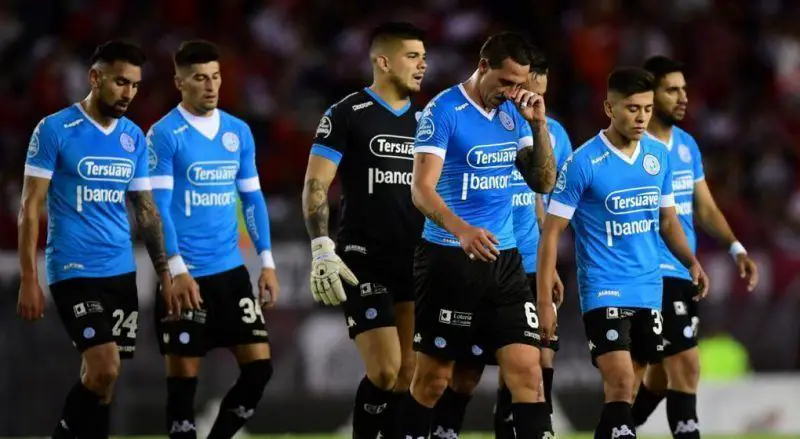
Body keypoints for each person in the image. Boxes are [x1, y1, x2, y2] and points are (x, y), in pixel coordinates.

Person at [17, 40, 191, 439]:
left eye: (134, 85)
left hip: (121, 272)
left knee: (103, 382)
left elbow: (145, 211)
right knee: (104, 366)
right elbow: (30, 206)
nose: (128, 93)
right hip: (73, 267)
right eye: (120, 82)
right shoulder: (55, 129)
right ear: (95, 78)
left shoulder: (133, 137)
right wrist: (30, 277)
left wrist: (165, 273)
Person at [399, 31, 557, 439]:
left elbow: (542, 182)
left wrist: (538, 127)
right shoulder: (444, 111)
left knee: (529, 376)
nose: (511, 92)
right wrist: (463, 230)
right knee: (433, 381)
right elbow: (421, 189)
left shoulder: (513, 115)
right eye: (505, 82)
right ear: (483, 66)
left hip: (504, 261)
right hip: (449, 258)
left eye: (519, 84)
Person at [536, 66, 710, 439]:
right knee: (619, 382)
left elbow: (668, 222)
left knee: (629, 393)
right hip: (604, 287)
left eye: (647, 108)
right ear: (609, 108)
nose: (642, 117)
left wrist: (689, 260)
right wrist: (544, 300)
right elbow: (551, 232)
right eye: (632, 108)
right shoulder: (583, 163)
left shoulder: (657, 157)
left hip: (649, 287)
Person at [429, 55, 573, 439]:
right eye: (525, 92)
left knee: (537, 361)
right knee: (467, 371)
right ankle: (445, 429)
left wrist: (549, 267)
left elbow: (546, 203)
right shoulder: (488, 121)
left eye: (538, 94)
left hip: (528, 262)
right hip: (488, 255)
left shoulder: (552, 134)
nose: (528, 101)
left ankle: (519, 428)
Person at [148, 40, 280, 439]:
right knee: (184, 380)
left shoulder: (238, 132)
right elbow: (159, 209)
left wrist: (267, 262)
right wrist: (175, 270)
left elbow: (252, 199)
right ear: (179, 82)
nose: (210, 86)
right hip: (185, 275)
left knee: (259, 370)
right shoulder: (165, 134)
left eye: (216, 77)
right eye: (200, 78)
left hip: (231, 273)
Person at [300, 22, 426, 439]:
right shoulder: (346, 113)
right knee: (386, 369)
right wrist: (321, 245)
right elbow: (316, 183)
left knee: (408, 373)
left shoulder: (428, 122)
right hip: (362, 257)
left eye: (424, 57)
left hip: (415, 257)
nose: (423, 65)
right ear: (383, 61)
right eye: (413, 56)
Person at [631, 55, 759, 439]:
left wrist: (736, 247)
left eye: (684, 88)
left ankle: (620, 427)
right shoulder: (635, 147)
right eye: (673, 90)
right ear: (650, 94)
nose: (684, 97)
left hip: (685, 269)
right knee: (685, 364)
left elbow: (703, 206)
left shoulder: (686, 145)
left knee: (657, 374)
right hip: (651, 270)